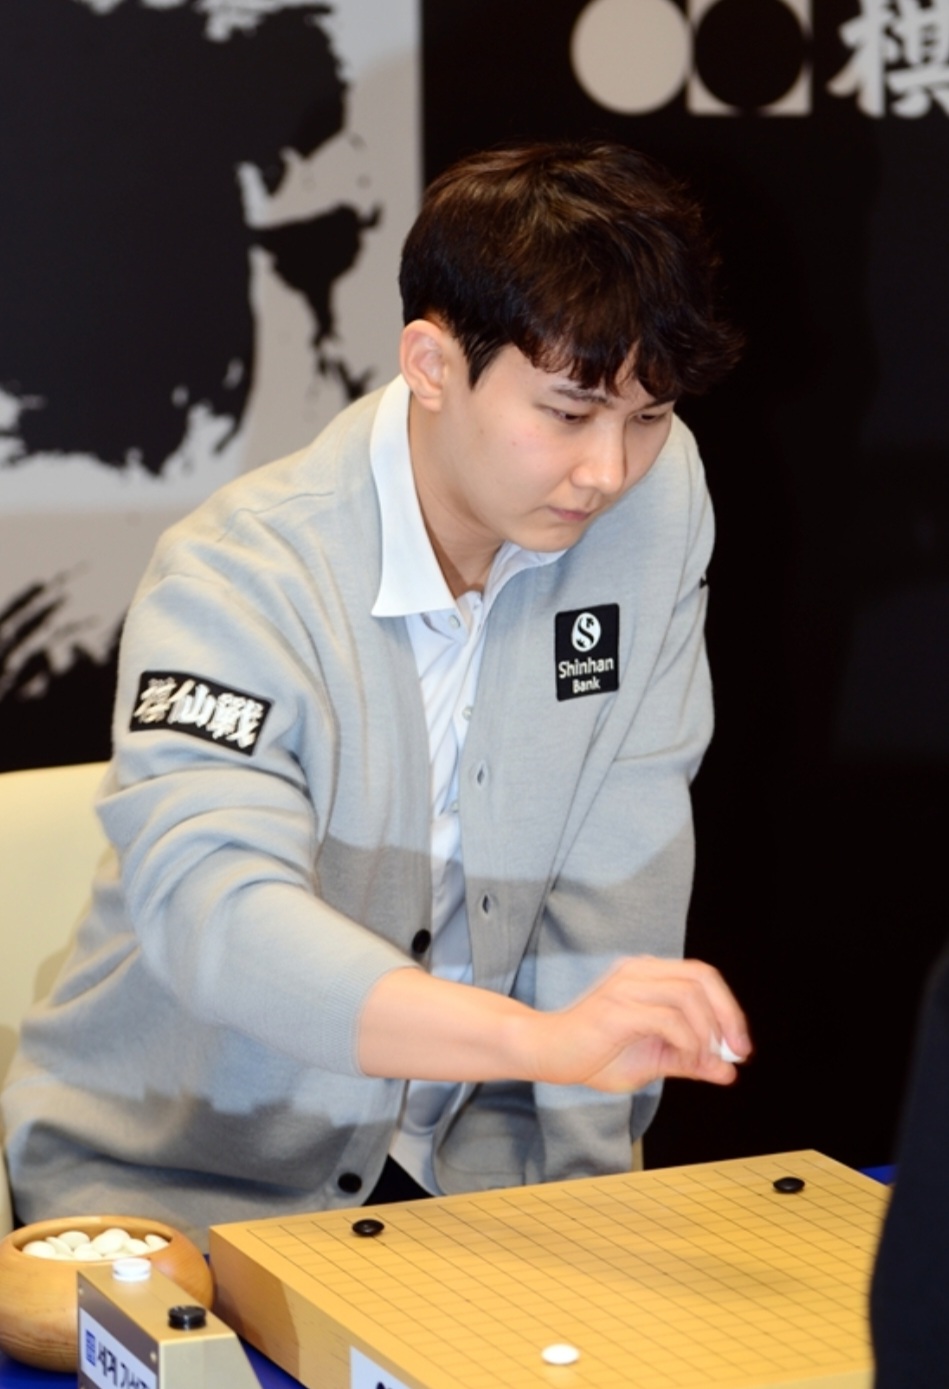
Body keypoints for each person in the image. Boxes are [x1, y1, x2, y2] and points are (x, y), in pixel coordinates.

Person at [1, 140, 748, 1246]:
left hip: (467, 1191)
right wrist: (535, 1044)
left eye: (648, 415)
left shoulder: (654, 498)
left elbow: (620, 864)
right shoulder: (239, 574)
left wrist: (587, 1204)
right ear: (431, 364)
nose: (607, 469)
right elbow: (218, 918)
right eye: (567, 412)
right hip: (177, 1191)